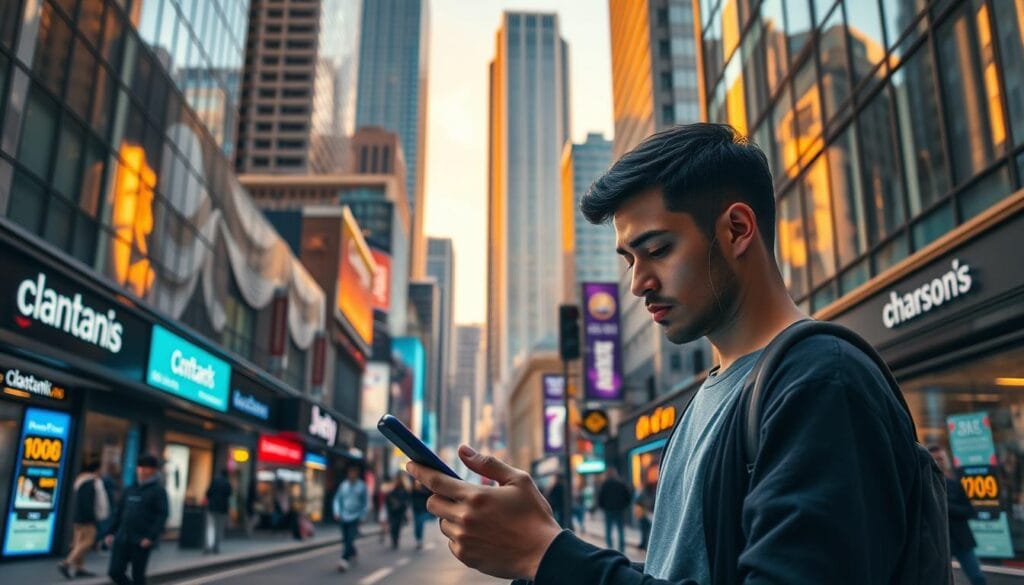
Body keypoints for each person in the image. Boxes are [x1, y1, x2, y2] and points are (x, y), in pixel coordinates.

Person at [406, 123, 942, 584]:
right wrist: (543, 545)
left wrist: (547, 554)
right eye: (628, 259)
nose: (638, 283)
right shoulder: (709, 399)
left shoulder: (823, 383)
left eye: (658, 249)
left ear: (737, 229)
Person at [104, 454, 168, 585]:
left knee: (138, 576)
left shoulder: (158, 491)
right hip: (122, 538)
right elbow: (119, 512)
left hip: (141, 540)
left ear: (154, 470)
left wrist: (150, 537)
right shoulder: (130, 489)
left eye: (146, 467)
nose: (142, 470)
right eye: (140, 467)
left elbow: (162, 515)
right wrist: (111, 532)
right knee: (114, 572)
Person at [930, 445, 987, 585]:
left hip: (962, 540)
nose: (939, 462)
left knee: (978, 578)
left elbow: (970, 511)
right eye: (936, 459)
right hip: (939, 543)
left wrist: (946, 507)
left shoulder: (955, 484)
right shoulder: (925, 485)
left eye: (941, 458)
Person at [58, 460, 110, 579]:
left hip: (78, 517)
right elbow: (89, 503)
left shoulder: (81, 481)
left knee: (79, 543)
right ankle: (67, 563)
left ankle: (79, 568)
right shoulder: (91, 482)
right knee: (88, 542)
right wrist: (92, 517)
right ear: (97, 470)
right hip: (87, 518)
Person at [333, 465, 368, 571]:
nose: (351, 475)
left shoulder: (362, 486)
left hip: (355, 517)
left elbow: (365, 503)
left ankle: (344, 560)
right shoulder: (343, 485)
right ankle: (353, 552)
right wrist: (337, 512)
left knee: (350, 537)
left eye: (353, 473)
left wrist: (363, 516)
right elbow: (337, 499)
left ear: (356, 474)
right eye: (350, 473)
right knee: (345, 538)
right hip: (344, 516)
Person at [597, 469, 631, 551]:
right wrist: (624, 506)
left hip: (608, 510)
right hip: (619, 510)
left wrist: (603, 506)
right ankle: (622, 548)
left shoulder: (605, 484)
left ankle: (610, 547)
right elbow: (628, 496)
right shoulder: (620, 483)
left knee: (608, 529)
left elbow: (600, 497)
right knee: (621, 529)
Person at [204, 470, 232, 554]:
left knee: (210, 527)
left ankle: (208, 546)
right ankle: (216, 546)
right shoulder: (227, 484)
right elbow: (229, 494)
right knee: (219, 529)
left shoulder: (214, 482)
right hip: (223, 509)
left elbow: (208, 493)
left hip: (212, 508)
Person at [384, 474, 410, 549]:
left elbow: (406, 501)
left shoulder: (404, 490)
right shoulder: (393, 490)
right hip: (392, 511)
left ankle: (396, 539)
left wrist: (402, 506)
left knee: (397, 527)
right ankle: (394, 539)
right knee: (393, 526)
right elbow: (388, 499)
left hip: (400, 512)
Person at [411, 479, 433, 550]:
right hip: (416, 510)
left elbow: (430, 496)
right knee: (417, 525)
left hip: (423, 510)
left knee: (420, 524)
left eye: (418, 481)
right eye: (416, 482)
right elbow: (410, 500)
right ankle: (418, 539)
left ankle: (419, 540)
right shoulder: (413, 491)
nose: (417, 483)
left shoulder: (425, 491)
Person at [636, 480, 656, 551]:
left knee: (645, 531)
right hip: (649, 514)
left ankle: (645, 545)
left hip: (644, 514)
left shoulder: (643, 492)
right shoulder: (654, 493)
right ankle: (646, 546)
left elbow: (638, 501)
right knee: (648, 531)